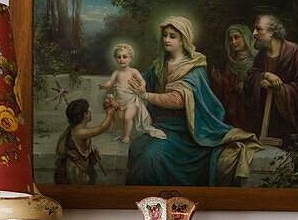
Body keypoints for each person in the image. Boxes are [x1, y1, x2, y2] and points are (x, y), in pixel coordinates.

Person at [124, 17, 260, 187]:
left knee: (151, 156)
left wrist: (145, 96)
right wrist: (128, 79)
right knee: (136, 148)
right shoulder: (160, 64)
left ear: (183, 40)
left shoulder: (193, 67)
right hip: (160, 126)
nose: (167, 39)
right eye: (165, 35)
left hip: (188, 132)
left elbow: (177, 100)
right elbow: (144, 79)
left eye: (172, 36)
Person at [243, 14, 298, 141]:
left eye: (258, 29)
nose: (254, 33)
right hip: (264, 124)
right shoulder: (261, 56)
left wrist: (280, 88)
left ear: (271, 32)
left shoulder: (296, 55)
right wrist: (264, 76)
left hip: (287, 124)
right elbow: (251, 77)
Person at [99, 43, 165, 144]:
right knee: (121, 118)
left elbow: (142, 81)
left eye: (125, 57)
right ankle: (122, 131)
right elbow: (110, 82)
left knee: (127, 117)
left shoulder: (133, 71)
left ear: (130, 58)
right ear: (115, 59)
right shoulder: (116, 72)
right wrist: (104, 86)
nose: (121, 59)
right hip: (120, 101)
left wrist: (142, 86)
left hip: (132, 100)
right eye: (119, 57)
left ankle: (127, 136)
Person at [54, 97, 114, 185]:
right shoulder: (80, 132)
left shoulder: (76, 128)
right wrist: (109, 115)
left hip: (81, 165)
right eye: (88, 111)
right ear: (85, 114)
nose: (90, 112)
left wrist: (89, 147)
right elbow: (102, 128)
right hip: (76, 169)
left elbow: (77, 144)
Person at [209, 24, 257, 129]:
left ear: (245, 36)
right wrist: (219, 82)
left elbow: (263, 85)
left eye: (237, 37)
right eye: (230, 39)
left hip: (252, 112)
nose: (233, 42)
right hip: (233, 116)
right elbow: (227, 92)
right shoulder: (230, 63)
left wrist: (248, 85)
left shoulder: (257, 60)